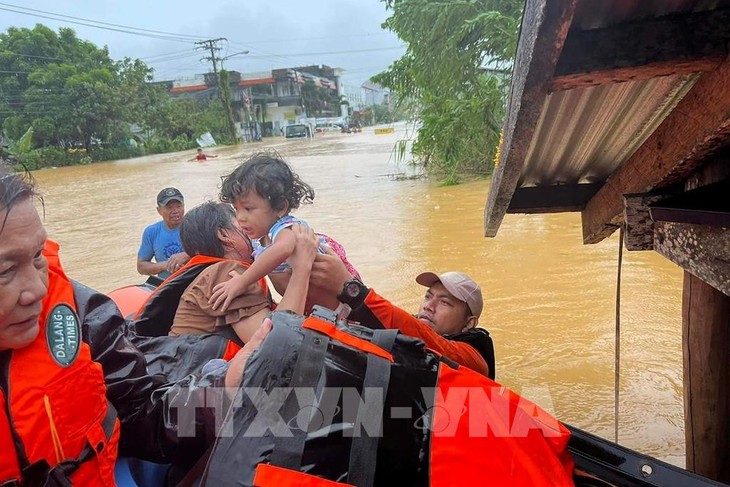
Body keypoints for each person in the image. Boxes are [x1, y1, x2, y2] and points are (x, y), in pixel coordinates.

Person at [0, 164, 272, 485]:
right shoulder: (230, 275)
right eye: (5, 271)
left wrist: (221, 389)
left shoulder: (83, 313)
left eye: (37, 257)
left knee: (327, 413)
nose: (38, 289)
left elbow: (143, 418)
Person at [209, 152, 360, 313]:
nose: (240, 217)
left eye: (248, 209)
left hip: (339, 311)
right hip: (313, 312)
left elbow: (282, 250)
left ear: (280, 207)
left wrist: (241, 282)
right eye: (236, 209)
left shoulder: (286, 228)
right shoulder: (260, 238)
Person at [309, 248, 494, 378]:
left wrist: (352, 289)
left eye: (445, 302)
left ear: (469, 323)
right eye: (428, 296)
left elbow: (429, 342)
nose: (429, 306)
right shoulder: (410, 327)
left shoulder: (475, 358)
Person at [170, 201, 317, 343]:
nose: (252, 235)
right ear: (224, 235)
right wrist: (302, 267)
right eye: (243, 228)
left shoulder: (209, 271)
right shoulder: (229, 272)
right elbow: (278, 344)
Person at [137, 187, 190, 279]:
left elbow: (211, 252)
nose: (175, 211)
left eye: (179, 206)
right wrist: (166, 265)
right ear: (159, 210)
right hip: (166, 285)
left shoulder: (196, 226)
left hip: (193, 283)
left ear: (184, 206)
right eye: (169, 208)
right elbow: (141, 267)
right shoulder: (151, 232)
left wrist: (186, 255)